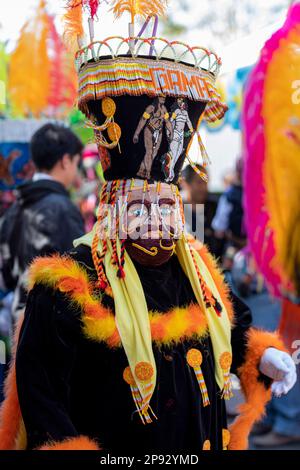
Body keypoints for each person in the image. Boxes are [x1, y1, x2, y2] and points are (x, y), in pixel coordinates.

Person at [0, 5, 296, 453]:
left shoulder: (197, 268)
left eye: (166, 206)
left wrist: (263, 357)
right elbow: (45, 401)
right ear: (113, 207)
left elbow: (234, 329)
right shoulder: (69, 282)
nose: (155, 220)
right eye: (140, 207)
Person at [0, 123, 85, 320]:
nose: (75, 171)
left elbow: (5, 275)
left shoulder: (16, 207)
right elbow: (78, 276)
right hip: (52, 327)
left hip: (19, 322)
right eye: (75, 163)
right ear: (65, 160)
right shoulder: (63, 209)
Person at [182, 164, 223, 258]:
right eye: (199, 182)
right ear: (185, 183)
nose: (204, 187)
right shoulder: (177, 208)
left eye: (206, 182)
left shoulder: (214, 207)